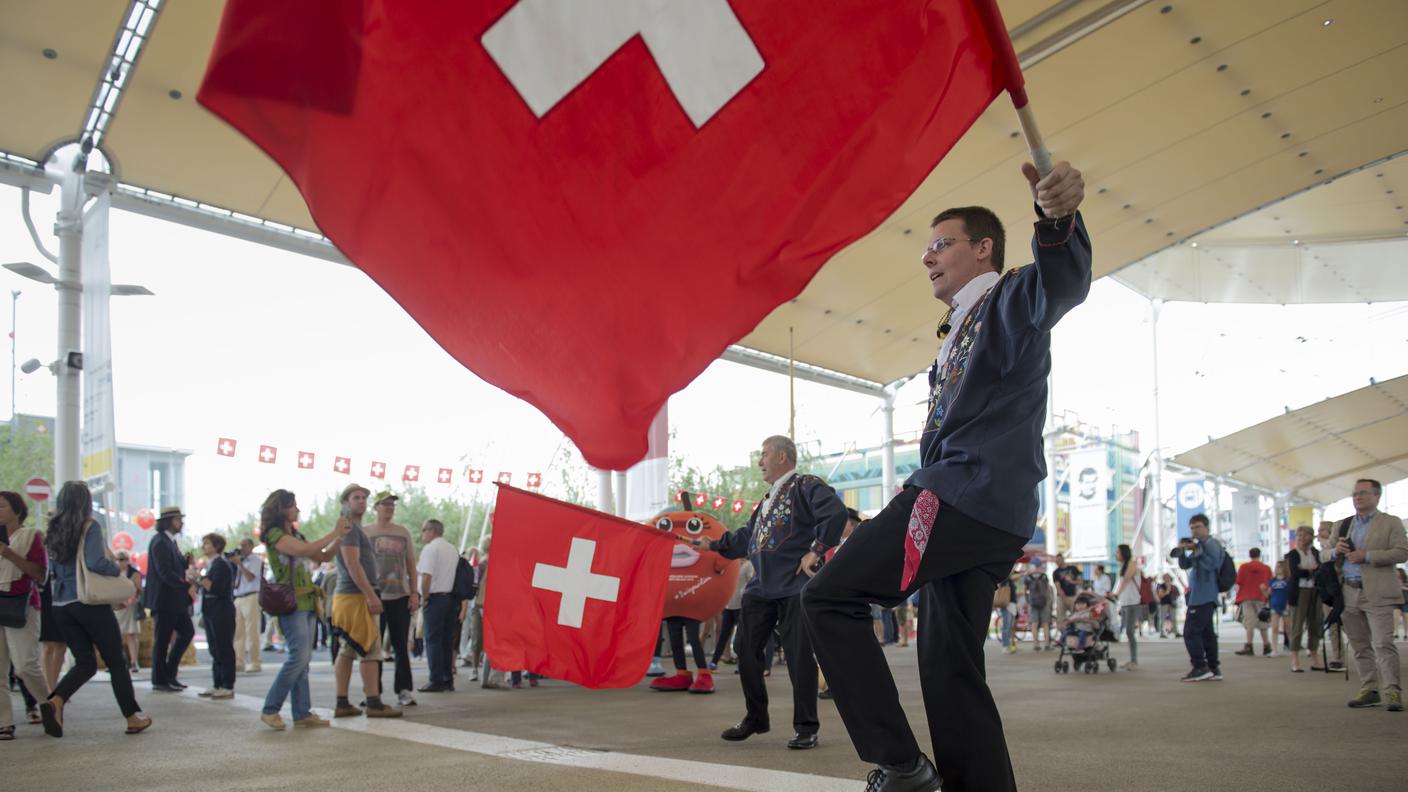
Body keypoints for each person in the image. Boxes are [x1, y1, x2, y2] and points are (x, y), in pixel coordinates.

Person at [801, 161, 1089, 792]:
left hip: (963, 493)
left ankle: (901, 767)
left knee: (827, 596)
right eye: (926, 248)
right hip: (991, 510)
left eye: (941, 244)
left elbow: (1061, 284)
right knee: (947, 664)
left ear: (983, 248)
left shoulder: (1008, 297)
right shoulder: (955, 328)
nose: (928, 257)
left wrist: (1059, 219)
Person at [694, 434, 846, 752]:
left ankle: (806, 727)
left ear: (782, 457)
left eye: (764, 454)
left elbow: (835, 514)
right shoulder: (766, 501)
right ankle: (756, 717)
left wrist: (815, 551)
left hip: (793, 586)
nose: (760, 461)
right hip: (761, 587)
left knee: (798, 657)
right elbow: (746, 538)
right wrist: (711, 545)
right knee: (744, 650)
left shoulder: (806, 485)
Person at [38, 481, 151, 738]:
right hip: (88, 603)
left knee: (86, 662)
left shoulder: (52, 529)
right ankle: (133, 717)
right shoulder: (89, 526)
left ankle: (55, 701)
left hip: (60, 605)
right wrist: (117, 571)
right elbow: (95, 562)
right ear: (86, 501)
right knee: (116, 662)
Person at [258, 489, 348, 729]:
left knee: (303, 659)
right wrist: (334, 532)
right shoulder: (275, 534)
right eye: (293, 505)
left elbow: (323, 554)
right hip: (292, 602)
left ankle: (301, 712)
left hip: (306, 601)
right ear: (282, 509)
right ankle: (271, 708)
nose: (297, 509)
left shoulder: (295, 534)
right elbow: (303, 551)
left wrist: (340, 538)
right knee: (299, 657)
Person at [1330, 479, 1407, 711]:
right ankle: (1369, 688)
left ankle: (1392, 691)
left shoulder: (1390, 523)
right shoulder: (1342, 525)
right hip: (1348, 591)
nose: (1357, 497)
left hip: (1378, 591)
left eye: (1363, 493)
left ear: (1376, 496)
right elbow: (1324, 553)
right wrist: (1335, 551)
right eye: (1355, 494)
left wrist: (1368, 556)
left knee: (1383, 643)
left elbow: (1403, 552)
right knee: (1360, 644)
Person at [330, 484, 402, 719]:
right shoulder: (350, 528)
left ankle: (343, 702)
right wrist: (370, 594)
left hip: (350, 595)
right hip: (356, 596)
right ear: (346, 502)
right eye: (356, 497)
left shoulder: (350, 527)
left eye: (363, 498)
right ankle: (373, 702)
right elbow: (352, 563)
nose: (361, 501)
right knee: (370, 649)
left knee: (349, 648)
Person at [0, 491, 50, 741]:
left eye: (2, 506)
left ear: (17, 510)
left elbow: (40, 574)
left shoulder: (31, 536)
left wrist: (9, 554)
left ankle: (50, 705)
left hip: (22, 605)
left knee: (24, 665)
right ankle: (4, 722)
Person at [364, 491, 419, 707]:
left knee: (400, 645)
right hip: (375, 595)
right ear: (376, 507)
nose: (389, 508)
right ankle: (373, 692)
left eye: (392, 504)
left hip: (400, 595)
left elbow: (411, 565)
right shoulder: (366, 533)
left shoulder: (402, 533)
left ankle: (404, 689)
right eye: (385, 504)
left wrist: (414, 593)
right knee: (373, 646)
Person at [144, 506, 195, 693]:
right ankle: (160, 679)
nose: (181, 523)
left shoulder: (170, 542)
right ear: (170, 521)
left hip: (174, 600)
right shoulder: (160, 542)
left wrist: (184, 562)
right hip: (164, 600)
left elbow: (172, 568)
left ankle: (169, 673)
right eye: (178, 519)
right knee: (162, 640)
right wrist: (185, 585)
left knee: (186, 632)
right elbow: (163, 572)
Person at [1171, 514, 1225, 682]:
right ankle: (1213, 668)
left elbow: (1212, 565)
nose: (1194, 530)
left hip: (1205, 595)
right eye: (1192, 527)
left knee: (1190, 632)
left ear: (1207, 527)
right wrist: (1182, 552)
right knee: (1207, 633)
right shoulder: (1199, 545)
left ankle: (1199, 666)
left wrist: (1197, 550)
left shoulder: (1211, 544)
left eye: (1198, 527)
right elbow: (1185, 565)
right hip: (1198, 595)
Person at [416, 518, 460, 692]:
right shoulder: (452, 549)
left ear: (431, 531)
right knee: (446, 640)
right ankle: (447, 677)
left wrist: (424, 597)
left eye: (424, 530)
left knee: (433, 639)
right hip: (450, 598)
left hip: (434, 598)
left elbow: (426, 576)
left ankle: (436, 679)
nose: (422, 534)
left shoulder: (430, 549)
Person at [198, 533, 237, 699]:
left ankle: (227, 684)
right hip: (211, 609)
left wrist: (202, 579)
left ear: (216, 546)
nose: (203, 547)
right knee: (215, 648)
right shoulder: (212, 564)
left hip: (221, 609)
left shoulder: (222, 564)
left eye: (207, 543)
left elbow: (218, 589)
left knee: (224, 647)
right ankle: (218, 683)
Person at [1285, 525, 1323, 672]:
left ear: (1311, 537)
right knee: (1297, 624)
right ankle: (1295, 659)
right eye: (1299, 536)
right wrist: (1310, 571)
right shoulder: (1293, 554)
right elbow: (1295, 573)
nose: (1301, 538)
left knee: (1315, 623)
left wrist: (1307, 570)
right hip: (1299, 591)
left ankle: (1314, 656)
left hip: (1314, 590)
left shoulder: (1315, 553)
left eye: (1304, 535)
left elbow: (1320, 570)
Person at [711, 557, 753, 669]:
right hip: (729, 606)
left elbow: (751, 582)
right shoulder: (730, 564)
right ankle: (714, 662)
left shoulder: (748, 565)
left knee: (741, 636)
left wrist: (743, 593)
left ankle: (741, 664)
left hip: (741, 606)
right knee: (723, 635)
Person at [1232, 548, 1273, 657]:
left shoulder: (1244, 567)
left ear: (1249, 555)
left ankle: (1249, 646)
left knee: (1250, 622)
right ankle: (1266, 646)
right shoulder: (1266, 568)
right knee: (1263, 621)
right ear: (1260, 555)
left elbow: (1238, 581)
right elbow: (1270, 582)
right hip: (1261, 597)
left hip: (1247, 597)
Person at [232, 537, 264, 673]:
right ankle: (239, 661)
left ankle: (255, 662)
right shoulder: (241, 561)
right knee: (238, 632)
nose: (242, 548)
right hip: (238, 596)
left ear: (251, 546)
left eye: (244, 545)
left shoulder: (255, 560)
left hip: (251, 596)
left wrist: (240, 564)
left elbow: (251, 577)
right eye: (240, 545)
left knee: (252, 631)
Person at [1112, 544, 1143, 670]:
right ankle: (1132, 659)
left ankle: (1134, 661)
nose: (1116, 554)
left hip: (1133, 602)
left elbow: (1126, 579)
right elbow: (1121, 582)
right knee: (1128, 631)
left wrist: (1116, 595)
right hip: (1124, 602)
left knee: (1130, 631)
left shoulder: (1132, 563)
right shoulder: (1122, 566)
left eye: (1118, 552)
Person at [113, 551, 144, 673]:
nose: (120, 562)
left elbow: (139, 589)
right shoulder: (112, 573)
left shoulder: (134, 574)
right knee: (116, 635)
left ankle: (134, 661)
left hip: (130, 606)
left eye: (122, 559)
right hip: (116, 605)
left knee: (131, 634)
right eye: (118, 559)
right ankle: (118, 661)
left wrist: (131, 599)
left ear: (128, 560)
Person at [1024, 559, 1052, 650]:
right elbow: (1048, 589)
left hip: (1033, 603)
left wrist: (1028, 602)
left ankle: (1036, 644)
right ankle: (1047, 644)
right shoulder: (1044, 576)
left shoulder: (1028, 577)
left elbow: (1025, 591)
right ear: (1040, 565)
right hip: (1044, 602)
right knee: (1045, 624)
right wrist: (1049, 600)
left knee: (1034, 624)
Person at [1267, 560, 1292, 657]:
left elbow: (1290, 593)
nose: (1278, 569)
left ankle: (1291, 646)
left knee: (1288, 628)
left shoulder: (1288, 580)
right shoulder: (1272, 580)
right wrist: (1264, 590)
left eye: (1280, 567)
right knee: (1274, 628)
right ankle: (1274, 649)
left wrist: (1288, 604)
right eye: (1276, 567)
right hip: (1274, 605)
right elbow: (1269, 594)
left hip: (1285, 605)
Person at [1052, 554, 1080, 626]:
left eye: (1058, 560)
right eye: (1056, 560)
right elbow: (1058, 587)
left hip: (1073, 596)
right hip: (1061, 598)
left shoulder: (1073, 568)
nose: (1057, 562)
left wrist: (1072, 581)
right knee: (1060, 619)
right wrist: (1065, 599)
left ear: (1062, 560)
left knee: (1076, 616)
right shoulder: (1056, 573)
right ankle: (1064, 634)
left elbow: (1080, 581)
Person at [1155, 573, 1181, 638]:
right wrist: (1167, 591)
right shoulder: (1161, 586)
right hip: (1164, 604)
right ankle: (1162, 632)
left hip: (1172, 604)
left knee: (1173, 618)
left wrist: (1174, 598)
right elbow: (1160, 595)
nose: (1167, 579)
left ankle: (1175, 632)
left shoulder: (1173, 586)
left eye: (1168, 577)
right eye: (1166, 577)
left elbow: (1178, 594)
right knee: (1162, 618)